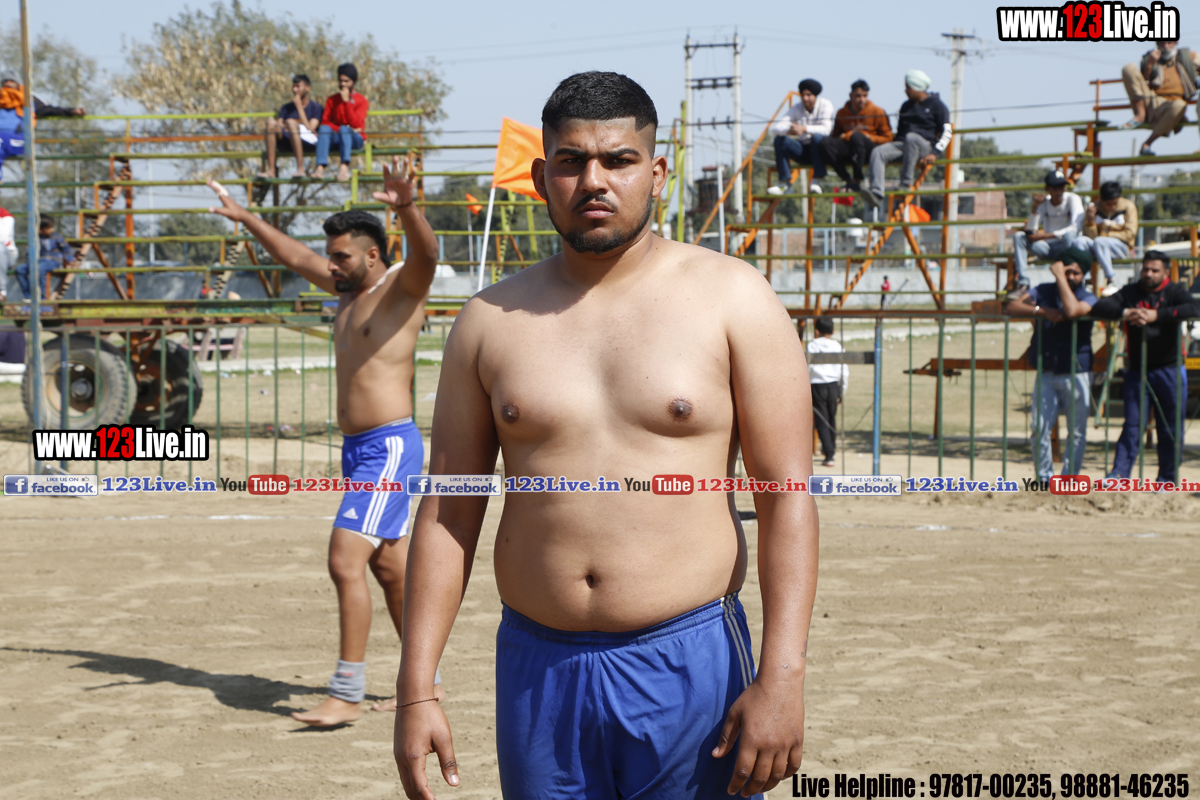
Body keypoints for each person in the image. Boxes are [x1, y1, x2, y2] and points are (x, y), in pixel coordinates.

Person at [394, 71, 817, 800]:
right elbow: (449, 510)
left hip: (688, 657)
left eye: (619, 160)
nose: (594, 181)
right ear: (541, 177)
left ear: (656, 173)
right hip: (538, 668)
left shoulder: (733, 298)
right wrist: (415, 688)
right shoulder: (489, 322)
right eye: (572, 162)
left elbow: (786, 498)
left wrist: (782, 677)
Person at [207, 155, 441, 726]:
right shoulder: (345, 289)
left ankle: (346, 693)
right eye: (330, 256)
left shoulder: (399, 289)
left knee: (344, 560)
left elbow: (428, 255)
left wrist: (408, 207)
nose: (330, 265)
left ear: (373, 255)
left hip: (388, 449)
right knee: (390, 570)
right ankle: (424, 686)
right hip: (359, 451)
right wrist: (246, 218)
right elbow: (294, 256)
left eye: (341, 256)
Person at [1089, 250, 1200, 485]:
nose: (1148, 274)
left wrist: (1156, 315)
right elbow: (1099, 307)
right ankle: (1119, 475)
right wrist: (1126, 312)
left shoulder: (1175, 291)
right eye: (1146, 269)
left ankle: (1167, 479)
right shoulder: (1131, 292)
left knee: (1170, 427)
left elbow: (1193, 309)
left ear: (1166, 273)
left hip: (1169, 369)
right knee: (1132, 424)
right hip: (1137, 369)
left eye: (1154, 270)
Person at [1004, 247, 1098, 481]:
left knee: (1076, 432)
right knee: (1039, 429)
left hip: (1076, 371)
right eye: (1067, 272)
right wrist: (1042, 310)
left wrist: (1059, 278)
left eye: (1076, 273)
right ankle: (1044, 478)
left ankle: (1069, 479)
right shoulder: (1044, 291)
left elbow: (1071, 310)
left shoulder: (1088, 297)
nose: (1071, 277)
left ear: (1083, 275)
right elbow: (1012, 307)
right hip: (1047, 370)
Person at [864, 70, 950, 209]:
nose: (906, 91)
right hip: (904, 145)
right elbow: (900, 134)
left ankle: (905, 184)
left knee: (912, 138)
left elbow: (947, 132)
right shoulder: (906, 106)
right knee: (878, 152)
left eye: (908, 87)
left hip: (924, 146)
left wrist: (935, 153)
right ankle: (876, 193)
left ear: (917, 87)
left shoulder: (937, 105)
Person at [1120, 40, 1199, 156]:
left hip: (1173, 106)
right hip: (1151, 101)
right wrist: (1150, 64)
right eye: (1162, 43)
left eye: (1169, 42)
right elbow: (1145, 83)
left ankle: (1147, 144)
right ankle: (1140, 114)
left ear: (1175, 42)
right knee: (1129, 68)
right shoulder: (1150, 58)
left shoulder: (1188, 56)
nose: (1166, 46)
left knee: (1180, 105)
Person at [1011, 170, 1085, 290]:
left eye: (1062, 187)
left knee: (1070, 236)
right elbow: (1031, 230)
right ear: (1047, 189)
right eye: (1055, 188)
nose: (1059, 192)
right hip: (1048, 249)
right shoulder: (1043, 203)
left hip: (1066, 247)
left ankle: (1069, 281)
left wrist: (1044, 236)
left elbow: (1075, 228)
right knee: (1019, 236)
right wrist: (1035, 208)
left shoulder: (1073, 199)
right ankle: (1023, 283)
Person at [816, 79, 893, 192]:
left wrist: (869, 137)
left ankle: (857, 179)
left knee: (857, 136)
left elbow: (888, 138)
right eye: (858, 96)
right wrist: (848, 136)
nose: (862, 99)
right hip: (851, 150)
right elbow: (836, 137)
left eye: (865, 96)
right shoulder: (842, 113)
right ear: (850, 95)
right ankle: (848, 180)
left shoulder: (877, 112)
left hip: (870, 151)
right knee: (825, 142)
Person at [0, 79, 85, 176]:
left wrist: (71, 111)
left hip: (19, 140)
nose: (8, 83)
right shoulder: (1, 98)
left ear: (17, 83)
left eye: (11, 80)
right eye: (5, 81)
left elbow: (48, 109)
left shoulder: (28, 98)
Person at [766, 78, 833, 195]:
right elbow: (776, 128)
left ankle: (815, 182)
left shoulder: (826, 105)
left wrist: (804, 128)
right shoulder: (797, 108)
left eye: (808, 95)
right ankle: (784, 185)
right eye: (802, 95)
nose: (805, 98)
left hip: (821, 153)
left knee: (817, 138)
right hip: (804, 152)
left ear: (815, 95)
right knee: (780, 140)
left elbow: (826, 130)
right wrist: (790, 129)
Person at [314, 63, 369, 182]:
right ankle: (320, 167)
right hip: (338, 136)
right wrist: (341, 128)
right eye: (341, 81)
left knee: (344, 129)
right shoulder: (332, 100)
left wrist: (346, 102)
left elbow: (356, 124)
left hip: (355, 138)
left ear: (353, 82)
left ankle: (344, 167)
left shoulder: (361, 101)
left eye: (346, 81)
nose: (343, 84)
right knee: (324, 130)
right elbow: (325, 122)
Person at [1083, 181, 1138, 296]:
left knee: (1100, 241)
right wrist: (1090, 222)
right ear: (1101, 200)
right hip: (1099, 246)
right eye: (1108, 204)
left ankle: (1111, 281)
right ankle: (1087, 282)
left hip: (1121, 248)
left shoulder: (1128, 206)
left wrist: (1107, 235)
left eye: (1115, 203)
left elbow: (1130, 234)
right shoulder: (1094, 207)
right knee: (1081, 241)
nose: (1112, 207)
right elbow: (1090, 238)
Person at [261, 74, 322, 179]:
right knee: (270, 123)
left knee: (291, 122)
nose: (294, 89)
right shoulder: (286, 108)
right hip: (288, 141)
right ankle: (271, 170)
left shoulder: (316, 107)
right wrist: (283, 125)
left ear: (307, 88)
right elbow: (279, 124)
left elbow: (310, 129)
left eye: (298, 86)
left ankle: (300, 169)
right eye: (293, 86)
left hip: (307, 142)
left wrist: (299, 107)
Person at [807, 316, 847, 468]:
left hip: (817, 385)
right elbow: (844, 370)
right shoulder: (837, 346)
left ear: (816, 331)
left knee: (821, 421)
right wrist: (842, 390)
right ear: (833, 331)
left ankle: (829, 454)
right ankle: (831, 449)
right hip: (833, 385)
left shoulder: (813, 346)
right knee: (831, 418)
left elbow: (808, 367)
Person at [14, 215, 76, 300]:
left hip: (52, 261)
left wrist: (70, 260)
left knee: (40, 269)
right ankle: (28, 295)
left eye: (52, 227)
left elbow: (66, 249)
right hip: (37, 262)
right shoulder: (34, 239)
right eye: (49, 228)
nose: (52, 230)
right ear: (40, 230)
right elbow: (29, 252)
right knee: (20, 270)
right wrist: (31, 262)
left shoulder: (56, 237)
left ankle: (43, 297)